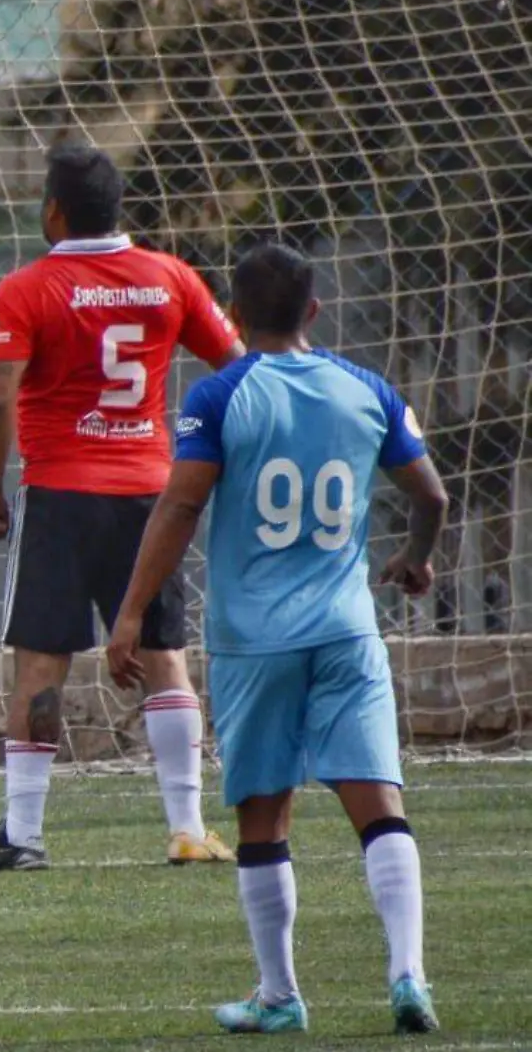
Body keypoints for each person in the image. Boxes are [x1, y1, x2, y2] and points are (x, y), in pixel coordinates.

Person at [106, 243, 446, 1035]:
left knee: (264, 817)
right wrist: (416, 558)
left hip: (255, 641)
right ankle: (409, 973)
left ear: (232, 314)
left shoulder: (221, 396)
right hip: (345, 630)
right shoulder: (368, 390)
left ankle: (281, 993)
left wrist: (130, 613)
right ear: (314, 312)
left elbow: (182, 506)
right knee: (379, 806)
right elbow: (431, 493)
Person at [0, 144, 245, 870]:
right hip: (150, 497)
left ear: (54, 211)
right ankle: (186, 826)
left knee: (41, 663)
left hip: (59, 493)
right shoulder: (169, 277)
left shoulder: (27, 288)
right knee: (164, 657)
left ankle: (23, 836)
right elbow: (239, 366)